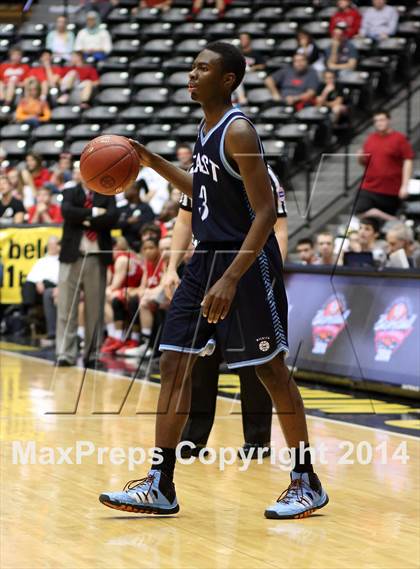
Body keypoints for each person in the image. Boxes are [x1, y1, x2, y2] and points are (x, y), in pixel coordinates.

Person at [100, 41, 328, 520]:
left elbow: (265, 213)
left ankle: (306, 480)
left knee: (270, 370)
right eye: (192, 66)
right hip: (206, 257)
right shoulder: (205, 128)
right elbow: (201, 190)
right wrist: (153, 162)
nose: (192, 74)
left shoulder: (238, 130)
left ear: (228, 80)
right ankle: (160, 483)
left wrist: (230, 279)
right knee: (173, 362)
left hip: (245, 260)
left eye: (202, 68)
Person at [163, 164, 288, 458]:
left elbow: (279, 228)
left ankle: (257, 441)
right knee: (199, 356)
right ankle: (193, 439)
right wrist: (170, 267)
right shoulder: (198, 168)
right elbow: (184, 221)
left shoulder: (262, 172)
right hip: (206, 269)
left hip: (248, 269)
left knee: (256, 361)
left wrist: (273, 272)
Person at [55, 169, 118, 367]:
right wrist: (94, 213)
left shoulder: (107, 193)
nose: (82, 174)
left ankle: (92, 354)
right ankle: (65, 353)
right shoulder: (69, 192)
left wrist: (83, 219)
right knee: (66, 307)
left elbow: (112, 217)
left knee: (95, 309)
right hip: (71, 257)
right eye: (79, 171)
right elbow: (67, 212)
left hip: (97, 257)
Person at [356, 110, 414, 221]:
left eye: (382, 120)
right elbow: (365, 163)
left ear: (388, 120)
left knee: (383, 224)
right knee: (359, 211)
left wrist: (405, 185)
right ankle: (386, 217)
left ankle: (394, 220)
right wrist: (360, 158)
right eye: (376, 121)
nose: (379, 123)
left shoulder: (399, 139)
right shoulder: (370, 138)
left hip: (391, 188)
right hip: (369, 186)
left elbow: (408, 160)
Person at [100, 237, 144, 355]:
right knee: (104, 295)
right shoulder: (115, 260)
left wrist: (104, 291)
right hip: (127, 290)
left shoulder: (122, 259)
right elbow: (108, 283)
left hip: (133, 290)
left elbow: (115, 285)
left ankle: (115, 336)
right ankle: (115, 336)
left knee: (105, 297)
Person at [21, 236, 60, 343]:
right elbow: (31, 276)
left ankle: (51, 332)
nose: (52, 247)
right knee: (27, 285)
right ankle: (27, 313)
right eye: (50, 245)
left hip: (54, 287)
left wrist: (59, 287)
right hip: (40, 288)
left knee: (48, 293)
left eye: (54, 245)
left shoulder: (62, 261)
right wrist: (38, 282)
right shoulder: (41, 261)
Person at [117, 182, 155, 251]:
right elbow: (114, 228)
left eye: (127, 189)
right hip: (122, 246)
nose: (124, 191)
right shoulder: (121, 209)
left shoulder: (146, 208)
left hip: (141, 245)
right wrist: (127, 222)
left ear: (136, 191)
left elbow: (148, 225)